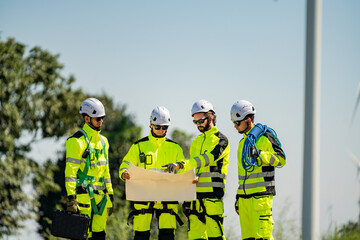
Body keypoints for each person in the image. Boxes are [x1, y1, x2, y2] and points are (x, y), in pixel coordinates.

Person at [164, 99, 230, 240]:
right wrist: (187, 197)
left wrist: (182, 164)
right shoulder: (196, 142)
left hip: (213, 198)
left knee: (215, 237)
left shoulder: (221, 140)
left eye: (200, 121)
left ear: (210, 117)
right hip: (195, 200)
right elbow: (192, 172)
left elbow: (207, 159)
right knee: (195, 238)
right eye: (195, 122)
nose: (198, 125)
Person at [119, 106, 186, 240]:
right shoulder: (138, 146)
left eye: (165, 128)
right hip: (144, 198)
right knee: (141, 236)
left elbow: (184, 168)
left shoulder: (175, 148)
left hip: (168, 199)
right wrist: (123, 173)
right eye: (158, 127)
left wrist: (190, 177)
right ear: (150, 124)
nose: (161, 131)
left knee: (167, 236)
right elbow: (125, 164)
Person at [230, 100, 286, 240]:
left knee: (263, 238)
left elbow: (281, 159)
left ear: (248, 120)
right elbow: (243, 175)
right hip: (244, 201)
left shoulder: (265, 137)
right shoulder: (242, 144)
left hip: (260, 199)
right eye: (234, 123)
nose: (235, 126)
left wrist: (260, 154)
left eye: (238, 122)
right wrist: (238, 197)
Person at [65, 97, 114, 240]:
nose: (101, 122)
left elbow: (106, 171)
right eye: (97, 119)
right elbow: (70, 172)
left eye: (102, 118)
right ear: (87, 119)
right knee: (82, 236)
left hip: (101, 199)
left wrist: (110, 195)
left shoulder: (104, 142)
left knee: (99, 236)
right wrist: (71, 198)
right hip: (82, 197)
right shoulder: (76, 141)